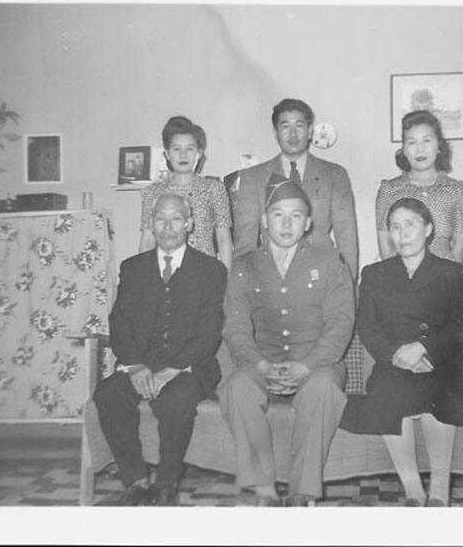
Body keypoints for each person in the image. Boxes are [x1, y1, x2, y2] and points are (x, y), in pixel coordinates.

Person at [220, 175, 355, 507]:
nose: (286, 223)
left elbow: (340, 323)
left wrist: (306, 366)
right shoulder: (244, 266)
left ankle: (302, 491)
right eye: (278, 214)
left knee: (323, 389)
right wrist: (261, 365)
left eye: (296, 215)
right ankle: (263, 487)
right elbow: (235, 328)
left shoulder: (329, 262)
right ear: (265, 221)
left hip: (317, 363)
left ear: (308, 223)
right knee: (237, 386)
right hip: (263, 361)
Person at [340, 197, 463, 507]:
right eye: (395, 226)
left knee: (438, 390)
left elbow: (462, 327)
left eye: (411, 225)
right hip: (394, 360)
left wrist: (423, 347)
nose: (402, 233)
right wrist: (395, 354)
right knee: (388, 391)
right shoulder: (375, 274)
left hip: (441, 359)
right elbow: (368, 327)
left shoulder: (452, 272)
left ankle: (440, 487)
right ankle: (414, 489)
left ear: (428, 229)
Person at [95, 193, 227, 506]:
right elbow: (120, 321)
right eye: (160, 219)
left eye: (176, 219)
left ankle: (167, 486)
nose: (168, 226)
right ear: (151, 225)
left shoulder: (211, 270)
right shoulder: (133, 268)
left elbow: (210, 331)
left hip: (188, 368)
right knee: (108, 394)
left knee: (176, 401)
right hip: (140, 365)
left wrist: (173, 370)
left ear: (190, 224)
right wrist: (135, 365)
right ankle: (136, 482)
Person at [232, 98, 358, 280]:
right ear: (275, 133)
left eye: (299, 126)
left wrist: (347, 288)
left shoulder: (334, 175)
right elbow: (245, 242)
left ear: (309, 132)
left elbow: (347, 239)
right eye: (285, 127)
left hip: (322, 276)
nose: (293, 134)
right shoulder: (253, 178)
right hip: (270, 279)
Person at [376, 110, 463, 263]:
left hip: (443, 279)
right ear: (404, 150)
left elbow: (459, 247)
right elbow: (385, 246)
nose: (420, 149)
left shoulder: (457, 190)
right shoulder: (389, 190)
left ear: (439, 146)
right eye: (412, 142)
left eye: (426, 141)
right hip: (401, 278)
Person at [139, 116, 233, 271]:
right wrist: (145, 278)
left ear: (199, 153)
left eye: (189, 149)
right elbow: (148, 241)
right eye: (176, 149)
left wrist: (225, 279)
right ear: (167, 154)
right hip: (165, 272)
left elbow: (223, 239)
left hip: (204, 273)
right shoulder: (152, 193)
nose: (183, 155)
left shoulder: (214, 189)